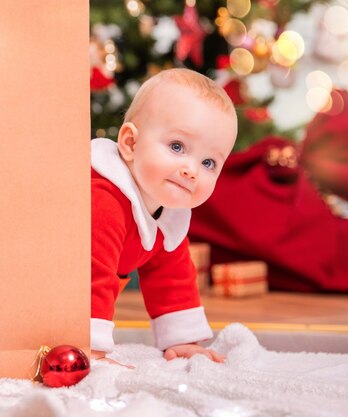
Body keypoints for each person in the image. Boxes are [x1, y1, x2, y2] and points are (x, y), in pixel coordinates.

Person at [91, 68, 237, 364]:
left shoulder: (165, 215)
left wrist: (182, 339)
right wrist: (89, 344)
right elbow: (91, 273)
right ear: (131, 144)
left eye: (208, 162)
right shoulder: (103, 200)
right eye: (177, 146)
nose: (191, 170)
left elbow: (172, 277)